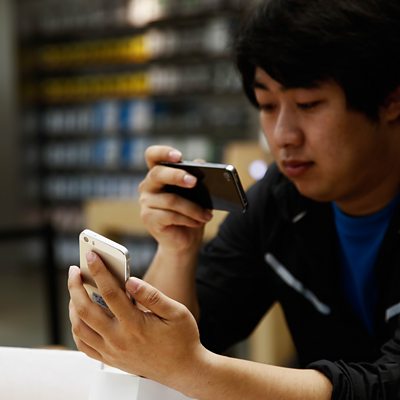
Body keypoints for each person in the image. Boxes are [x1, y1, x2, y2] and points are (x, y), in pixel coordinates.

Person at [68, 0, 400, 398]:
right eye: (267, 106)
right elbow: (185, 341)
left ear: (390, 100)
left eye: (308, 104)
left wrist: (191, 368)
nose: (283, 135)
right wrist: (176, 246)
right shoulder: (281, 200)